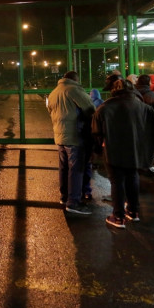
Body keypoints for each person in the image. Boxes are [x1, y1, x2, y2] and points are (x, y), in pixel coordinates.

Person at [93, 77, 154, 229]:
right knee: (133, 177)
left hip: (114, 150)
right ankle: (134, 212)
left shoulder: (105, 107)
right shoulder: (142, 106)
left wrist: (101, 144)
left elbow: (96, 130)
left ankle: (118, 217)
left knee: (117, 181)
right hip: (135, 149)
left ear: (114, 90)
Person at [46, 71, 96, 216]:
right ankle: (74, 202)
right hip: (76, 136)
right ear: (75, 79)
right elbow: (90, 109)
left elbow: (50, 111)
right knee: (76, 169)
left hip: (60, 137)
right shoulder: (74, 90)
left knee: (64, 168)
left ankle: (64, 197)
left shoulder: (54, 92)